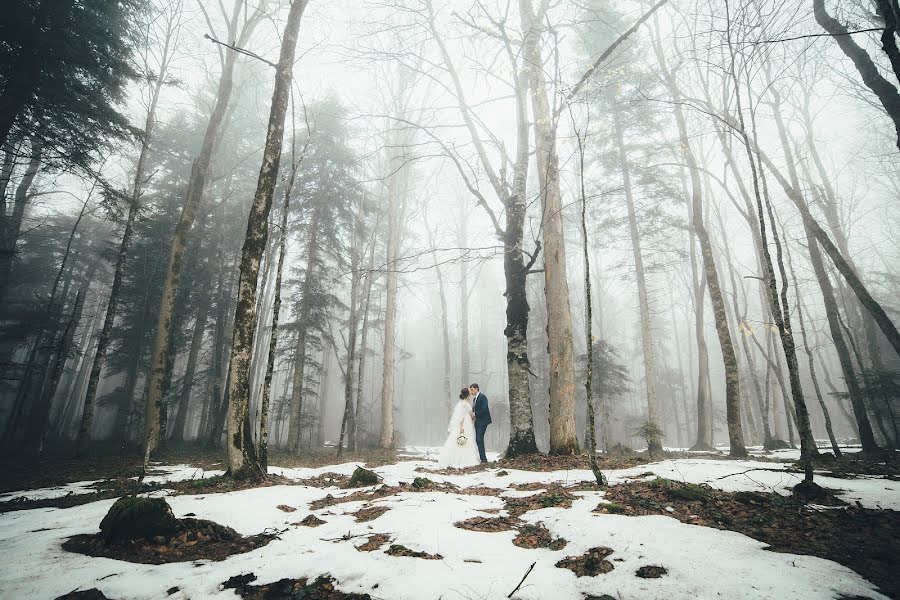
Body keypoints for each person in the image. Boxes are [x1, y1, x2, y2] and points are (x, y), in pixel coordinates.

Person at [438, 388, 480, 468]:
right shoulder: (465, 404)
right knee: (466, 440)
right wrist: (462, 426)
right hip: (465, 425)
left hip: (465, 424)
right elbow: (463, 416)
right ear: (467, 395)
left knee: (463, 441)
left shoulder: (461, 403)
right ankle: (464, 459)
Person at [469, 383, 492, 463]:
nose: (471, 391)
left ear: (476, 389)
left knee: (479, 439)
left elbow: (484, 409)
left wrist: (475, 414)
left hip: (483, 421)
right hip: (477, 421)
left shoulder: (482, 397)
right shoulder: (474, 399)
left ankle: (484, 459)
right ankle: (482, 458)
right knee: (478, 439)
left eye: (472, 389)